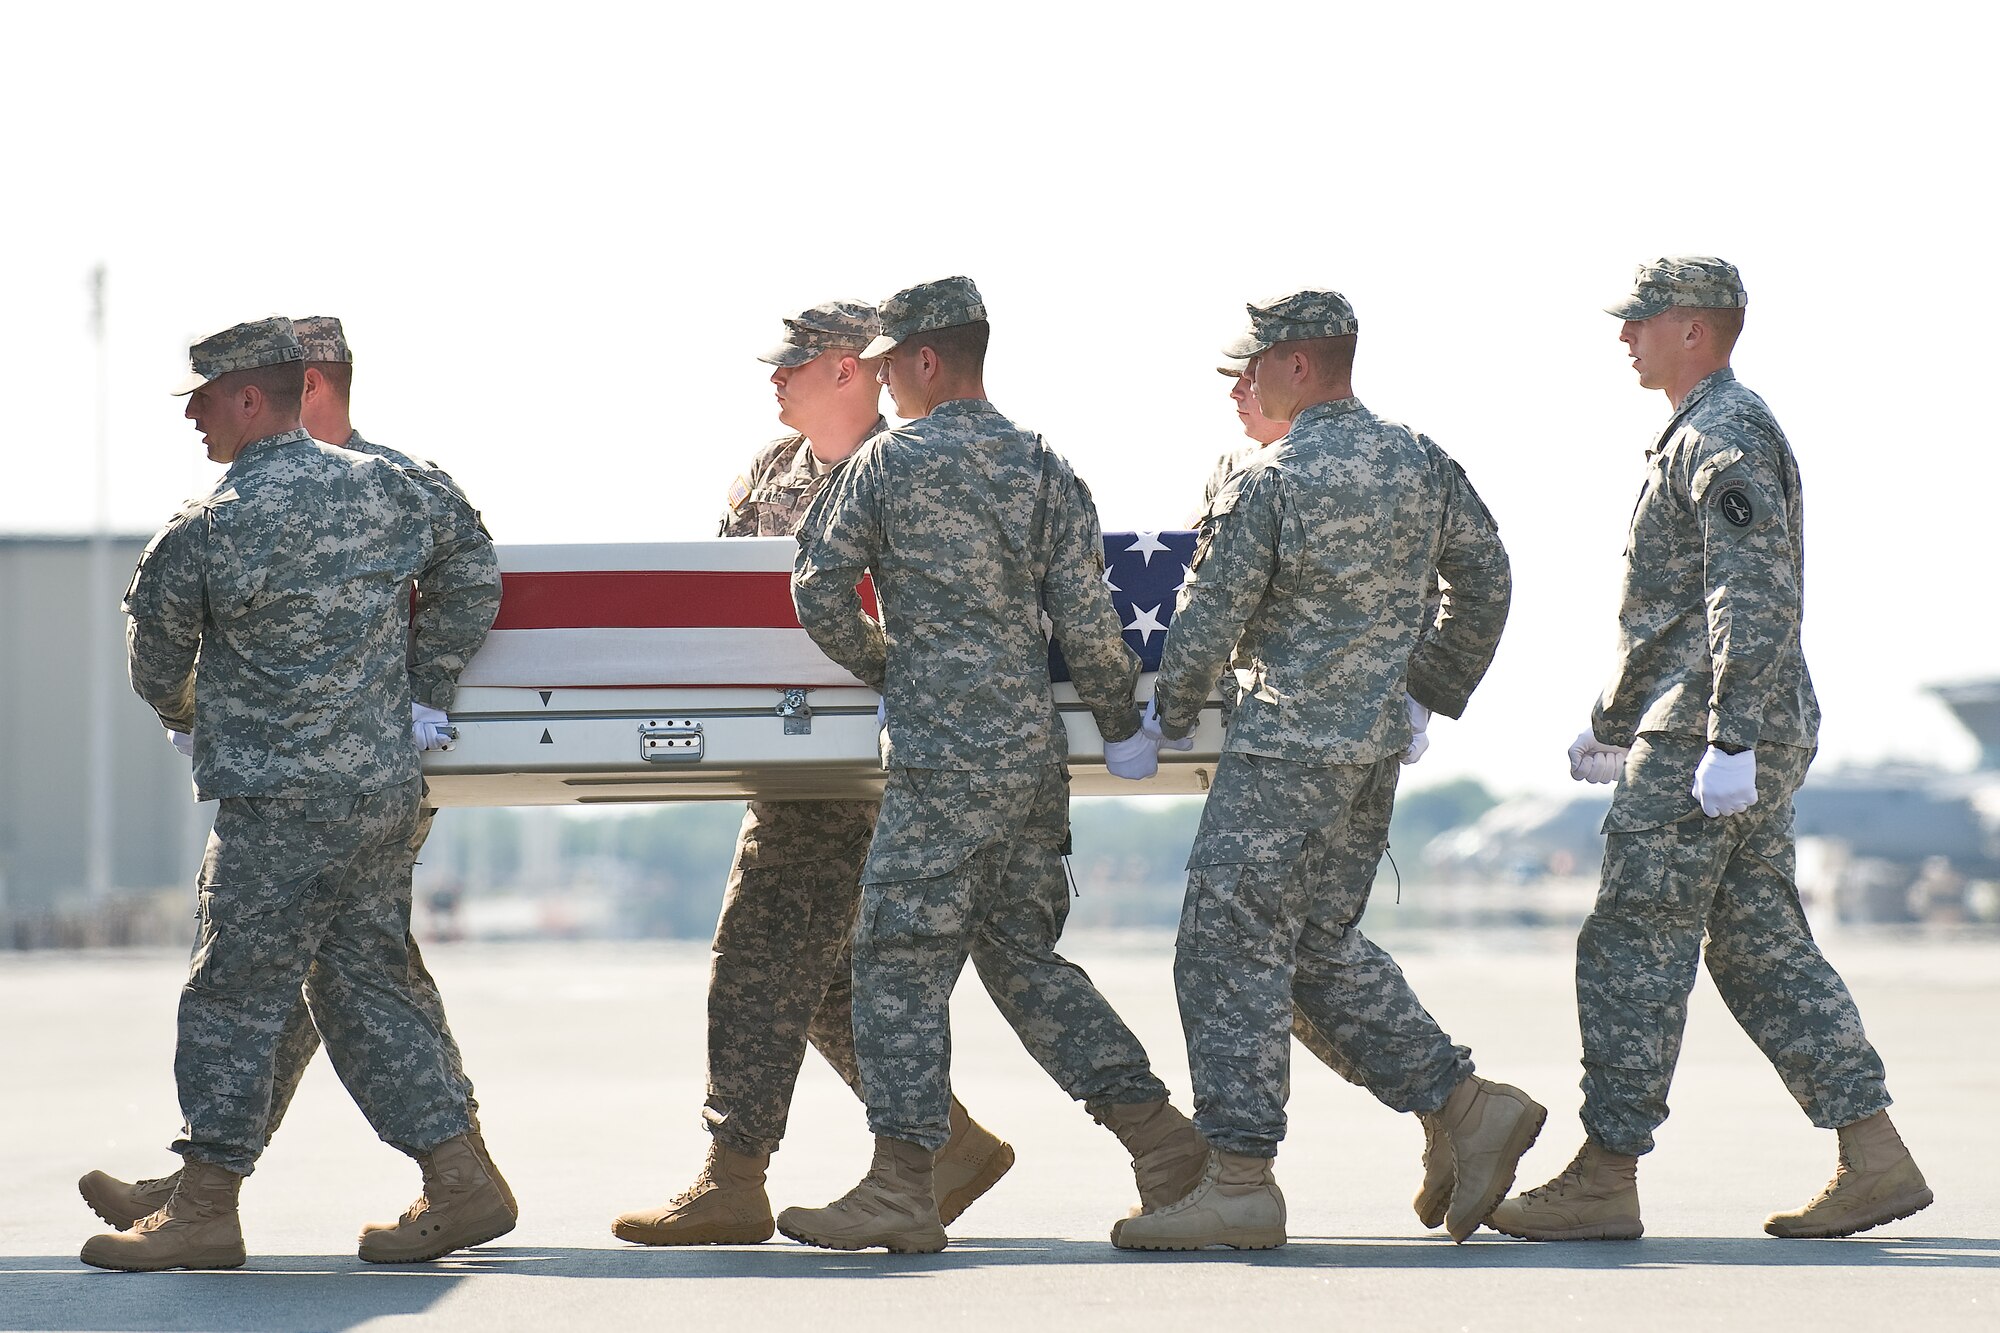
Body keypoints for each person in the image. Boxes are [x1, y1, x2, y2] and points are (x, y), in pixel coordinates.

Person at [1492, 258, 1931, 1241]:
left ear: (1692, 327)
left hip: (1709, 728)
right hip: (1708, 720)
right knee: (1757, 948)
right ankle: (1874, 1154)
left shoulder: (1719, 432)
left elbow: (1748, 592)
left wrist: (1722, 735)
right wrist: (1612, 719)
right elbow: (1675, 605)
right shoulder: (1700, 431)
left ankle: (1604, 1173)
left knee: (1629, 943)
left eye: (1638, 321)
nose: (1623, 338)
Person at [781, 276, 1204, 1253]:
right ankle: (1165, 1147)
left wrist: (888, 666)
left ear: (926, 360)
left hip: (938, 757)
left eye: (890, 362)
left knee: (891, 959)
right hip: (1027, 763)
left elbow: (818, 587)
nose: (884, 379)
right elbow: (1090, 622)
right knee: (1025, 963)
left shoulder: (887, 463)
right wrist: (1116, 718)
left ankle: (898, 1181)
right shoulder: (1041, 465)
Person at [77, 315, 515, 1255]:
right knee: (361, 985)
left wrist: (199, 711)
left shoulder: (210, 524)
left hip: (277, 804)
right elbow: (474, 567)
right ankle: (460, 1177)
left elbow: (156, 662)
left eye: (203, 398)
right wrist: (424, 688)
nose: (194, 416)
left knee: (234, 991)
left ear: (248, 398)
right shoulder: (394, 487)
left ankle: (201, 1211)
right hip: (380, 793)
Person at [1121, 290, 1537, 1251]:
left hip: (1281, 754)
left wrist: (1164, 718)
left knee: (1225, 952)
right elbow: (1488, 577)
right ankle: (1465, 1107)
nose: (1239, 384)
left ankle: (1238, 1180)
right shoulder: (1420, 462)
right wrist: (1424, 688)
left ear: (1298, 366)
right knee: (1312, 951)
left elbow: (1211, 618)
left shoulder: (1275, 479)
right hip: (1370, 752)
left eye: (1250, 367)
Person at [611, 302, 1013, 1247]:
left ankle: (734, 1174)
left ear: (848, 370)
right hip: (778, 750)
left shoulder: (911, 467)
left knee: (757, 951)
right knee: (821, 978)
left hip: (858, 760)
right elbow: (721, 594)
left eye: (793, 364)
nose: (774, 378)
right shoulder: (770, 470)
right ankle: (949, 1141)